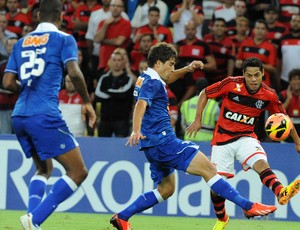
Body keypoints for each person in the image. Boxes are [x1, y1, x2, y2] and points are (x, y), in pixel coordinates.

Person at [109, 43, 277, 230]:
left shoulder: (146, 76)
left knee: (166, 189)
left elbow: (169, 77)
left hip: (152, 145)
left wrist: (188, 69)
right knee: (210, 170)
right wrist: (136, 129)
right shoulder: (153, 82)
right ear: (158, 63)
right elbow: (141, 104)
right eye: (171, 64)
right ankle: (249, 206)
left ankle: (122, 217)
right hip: (164, 141)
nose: (173, 69)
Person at [2, 1, 96, 229]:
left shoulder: (21, 42)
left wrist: (26, 89)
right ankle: (35, 219)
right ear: (61, 16)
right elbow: (73, 71)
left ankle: (32, 218)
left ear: (37, 16)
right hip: (44, 114)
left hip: (20, 115)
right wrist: (87, 101)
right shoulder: (64, 39)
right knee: (78, 171)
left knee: (44, 169)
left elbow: (6, 82)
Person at [186, 57, 300, 230]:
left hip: (246, 137)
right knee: (217, 188)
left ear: (262, 74)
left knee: (261, 163)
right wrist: (197, 119)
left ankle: (281, 192)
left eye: (256, 75)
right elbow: (205, 93)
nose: (253, 79)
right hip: (222, 140)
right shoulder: (230, 84)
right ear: (243, 75)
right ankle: (222, 218)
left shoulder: (268, 94)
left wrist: (297, 141)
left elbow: (284, 120)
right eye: (249, 75)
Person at [95, 49, 134, 137]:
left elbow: (123, 94)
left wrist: (108, 91)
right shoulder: (104, 78)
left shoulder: (128, 78)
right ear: (110, 62)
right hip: (105, 119)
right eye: (114, 60)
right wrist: (115, 94)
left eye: (119, 60)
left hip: (122, 120)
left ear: (123, 63)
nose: (116, 63)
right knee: (102, 146)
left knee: (122, 146)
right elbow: (97, 95)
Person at [279, 69, 300, 143]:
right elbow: (278, 114)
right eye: (294, 79)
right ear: (290, 82)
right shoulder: (282, 95)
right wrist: (288, 99)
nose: (296, 81)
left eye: (298, 79)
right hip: (286, 133)